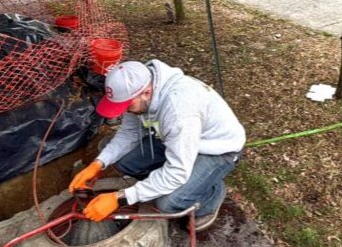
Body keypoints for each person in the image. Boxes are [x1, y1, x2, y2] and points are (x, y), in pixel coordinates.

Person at [70, 59, 245, 231]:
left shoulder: (178, 113)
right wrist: (98, 163)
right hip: (179, 140)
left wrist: (120, 198)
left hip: (217, 150)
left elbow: (177, 172)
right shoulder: (138, 90)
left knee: (168, 202)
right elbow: (128, 133)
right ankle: (188, 178)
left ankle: (212, 193)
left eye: (126, 106)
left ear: (146, 92)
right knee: (125, 163)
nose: (123, 111)